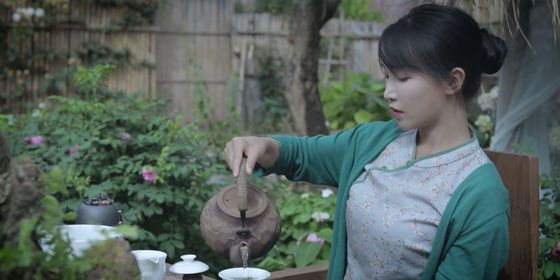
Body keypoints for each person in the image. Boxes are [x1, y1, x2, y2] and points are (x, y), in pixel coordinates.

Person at [223, 4, 509, 280]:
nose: (388, 92)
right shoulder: (377, 141)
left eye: (403, 78)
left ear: (453, 81)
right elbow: (302, 155)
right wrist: (261, 145)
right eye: (387, 77)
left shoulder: (481, 197)